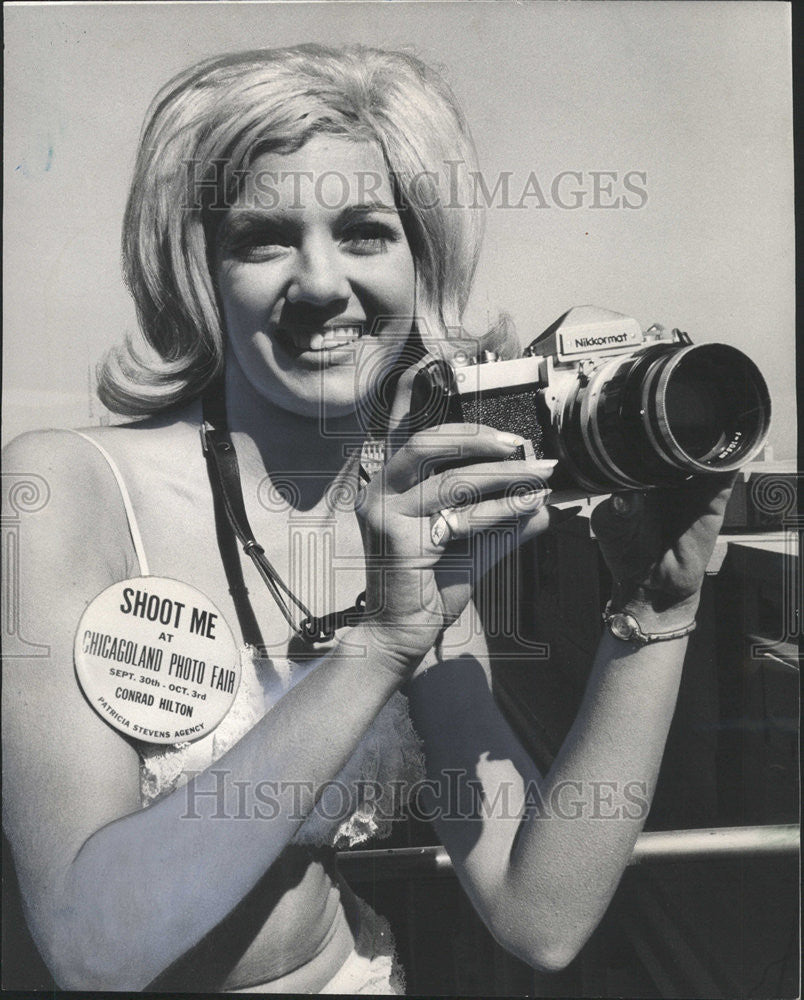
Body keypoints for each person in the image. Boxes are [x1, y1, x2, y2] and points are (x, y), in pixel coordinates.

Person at [1, 44, 734, 993]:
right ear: (198, 270)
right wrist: (382, 641)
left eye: (364, 232)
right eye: (263, 239)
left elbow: (539, 912)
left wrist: (656, 611)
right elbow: (94, 948)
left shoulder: (409, 516)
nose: (319, 284)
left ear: (421, 260)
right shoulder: (64, 491)